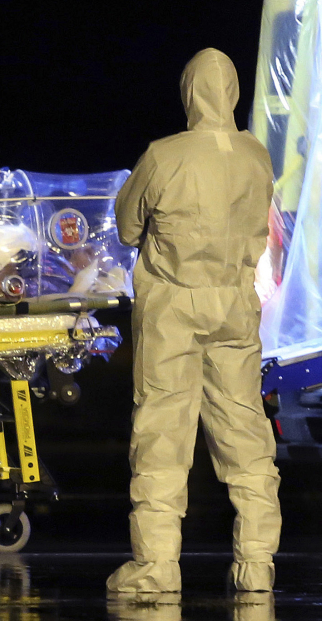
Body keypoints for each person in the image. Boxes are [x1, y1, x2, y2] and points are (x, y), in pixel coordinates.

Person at [106, 48, 282, 593]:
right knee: (246, 433)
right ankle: (257, 565)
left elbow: (128, 227)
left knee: (162, 433)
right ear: (232, 92)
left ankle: (156, 568)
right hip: (234, 305)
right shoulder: (257, 156)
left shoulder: (165, 155)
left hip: (173, 309)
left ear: (189, 93)